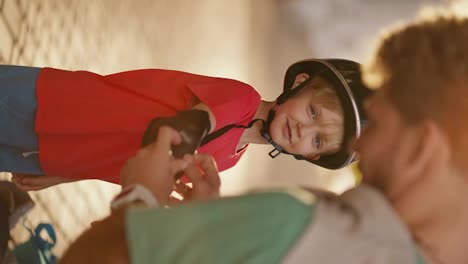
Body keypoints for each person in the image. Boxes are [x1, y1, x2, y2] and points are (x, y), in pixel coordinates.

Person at [60, 8, 468, 264]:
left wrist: (139, 198)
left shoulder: (295, 226)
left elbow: (92, 258)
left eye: (375, 124)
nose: (358, 145)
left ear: (422, 149)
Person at [2, 58, 370, 191]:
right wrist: (194, 130)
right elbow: (201, 120)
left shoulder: (225, 162)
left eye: (319, 142)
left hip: (55, 154)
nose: (305, 132)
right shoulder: (241, 98)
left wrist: (68, 174)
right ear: (299, 83)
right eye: (314, 114)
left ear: (312, 157)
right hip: (54, 103)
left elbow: (131, 165)